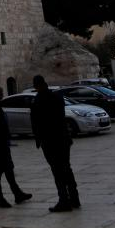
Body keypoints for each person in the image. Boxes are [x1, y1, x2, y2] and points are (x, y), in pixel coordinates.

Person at [30, 75, 79, 212]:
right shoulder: (57, 97)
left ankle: (64, 200)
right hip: (63, 138)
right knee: (66, 168)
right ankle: (74, 198)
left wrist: (38, 139)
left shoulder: (38, 101)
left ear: (36, 86)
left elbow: (36, 123)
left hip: (50, 140)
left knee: (57, 171)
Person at [0, 84, 32, 208]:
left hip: (1, 143)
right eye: (1, 92)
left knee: (9, 169)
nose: (3, 94)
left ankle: (17, 194)